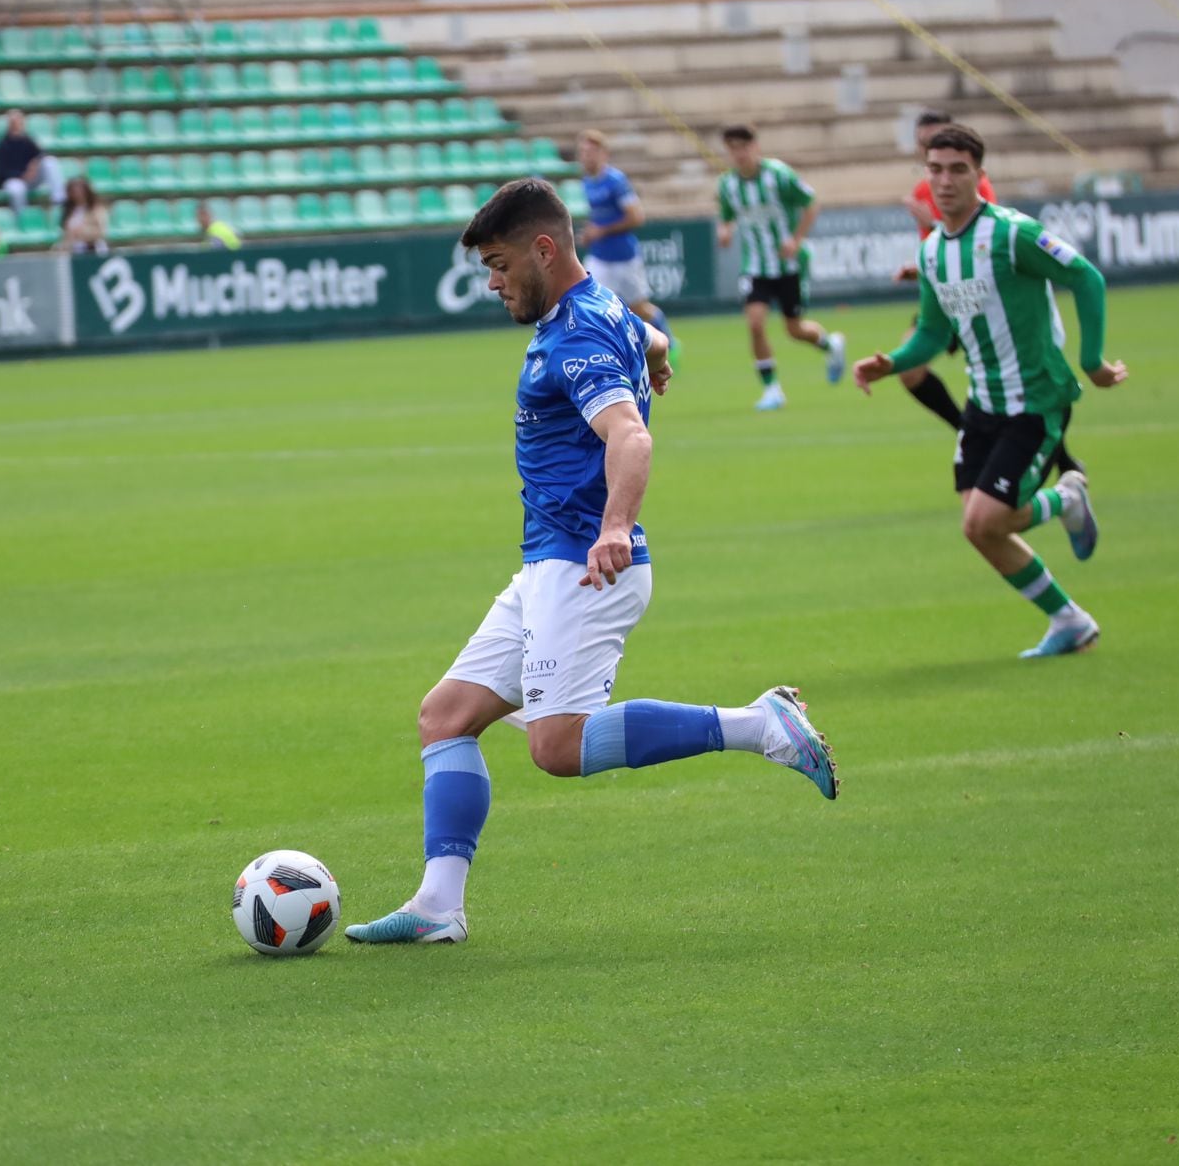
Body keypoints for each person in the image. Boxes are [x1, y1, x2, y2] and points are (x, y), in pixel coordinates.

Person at [346, 179, 839, 947]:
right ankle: (439, 905)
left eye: (502, 264)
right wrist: (662, 353)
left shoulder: (574, 335)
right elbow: (649, 338)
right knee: (445, 717)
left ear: (545, 249)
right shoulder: (601, 305)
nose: (493, 282)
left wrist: (615, 527)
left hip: (585, 564)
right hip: (547, 563)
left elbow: (631, 437)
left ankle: (759, 726)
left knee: (556, 747)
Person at [852, 124, 1126, 659]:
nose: (946, 180)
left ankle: (1067, 499)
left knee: (987, 519)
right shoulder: (933, 252)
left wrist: (1092, 360)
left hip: (1036, 400)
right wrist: (892, 363)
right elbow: (932, 331)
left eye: (958, 169)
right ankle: (1069, 620)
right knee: (979, 529)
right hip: (984, 403)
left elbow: (1086, 277)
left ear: (980, 174)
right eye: (936, 170)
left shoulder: (1012, 233)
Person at [893, 108, 1085, 480]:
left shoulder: (971, 184)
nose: (928, 150)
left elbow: (983, 236)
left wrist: (929, 220)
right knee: (911, 371)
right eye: (923, 144)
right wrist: (918, 268)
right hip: (950, 296)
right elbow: (944, 248)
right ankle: (969, 428)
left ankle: (1058, 459)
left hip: (985, 295)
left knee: (1013, 382)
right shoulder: (924, 188)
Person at [714, 123, 846, 411]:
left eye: (743, 147)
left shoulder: (779, 176)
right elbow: (726, 216)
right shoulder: (727, 185)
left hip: (788, 265)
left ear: (755, 147)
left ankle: (830, 345)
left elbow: (811, 203)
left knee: (795, 329)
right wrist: (724, 231)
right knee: (755, 324)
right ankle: (772, 389)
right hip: (755, 267)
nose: (739, 154)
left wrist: (796, 240)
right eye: (732, 149)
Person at [575, 129, 676, 367]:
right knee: (590, 305)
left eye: (590, 152)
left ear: (603, 153)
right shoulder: (587, 182)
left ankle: (668, 341)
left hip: (623, 256)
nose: (586, 157)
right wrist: (591, 234)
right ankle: (601, 358)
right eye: (582, 152)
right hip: (599, 257)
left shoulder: (615, 181)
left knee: (639, 308)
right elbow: (598, 218)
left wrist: (602, 231)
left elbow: (636, 217)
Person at [0, 109, 64, 215]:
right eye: (13, 122)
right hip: (13, 180)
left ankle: (59, 199)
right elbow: (2, 171)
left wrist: (34, 164)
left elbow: (42, 153)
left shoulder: (27, 139)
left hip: (30, 180)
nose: (17, 124)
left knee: (50, 162)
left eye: (19, 121)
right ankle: (22, 218)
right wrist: (22, 176)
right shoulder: (3, 144)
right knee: (17, 189)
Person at [55, 176, 110, 255]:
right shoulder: (68, 211)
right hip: (72, 248)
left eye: (79, 190)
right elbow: (65, 232)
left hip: (92, 248)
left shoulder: (96, 209)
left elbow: (102, 231)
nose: (76, 194)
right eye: (73, 191)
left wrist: (82, 232)